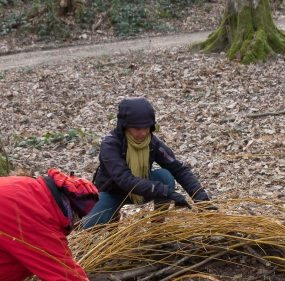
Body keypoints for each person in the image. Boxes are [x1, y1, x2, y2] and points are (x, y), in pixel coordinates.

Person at [81, 97, 211, 228]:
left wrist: (201, 199)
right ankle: (113, 216)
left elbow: (178, 169)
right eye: (137, 128)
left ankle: (157, 228)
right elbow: (124, 179)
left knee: (165, 176)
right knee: (89, 224)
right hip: (112, 193)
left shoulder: (152, 142)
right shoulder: (110, 145)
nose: (143, 133)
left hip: (141, 190)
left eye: (146, 127)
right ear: (124, 126)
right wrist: (164, 191)